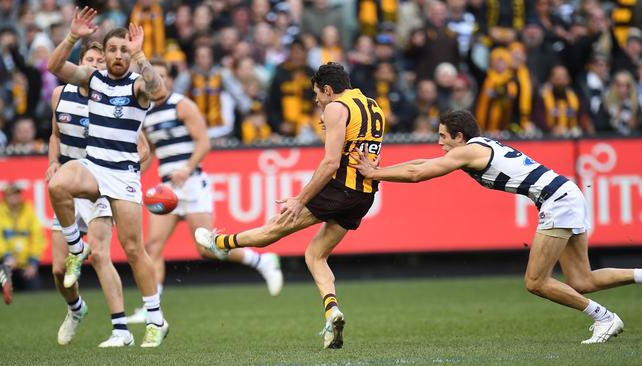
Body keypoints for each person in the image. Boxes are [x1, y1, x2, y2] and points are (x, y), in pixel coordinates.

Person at [351, 109, 641, 344]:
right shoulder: (477, 146)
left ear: (459, 136)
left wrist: (374, 173)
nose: (439, 142)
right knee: (581, 280)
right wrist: (380, 170)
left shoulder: (467, 152)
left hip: (558, 201)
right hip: (567, 193)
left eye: (443, 137)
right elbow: (421, 162)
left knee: (536, 282)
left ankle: (603, 317)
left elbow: (417, 174)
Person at [195, 62, 385, 349]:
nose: (316, 101)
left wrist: (300, 199)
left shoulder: (335, 108)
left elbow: (332, 162)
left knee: (275, 228)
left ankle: (220, 242)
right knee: (315, 255)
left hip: (341, 188)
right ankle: (332, 311)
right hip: (364, 195)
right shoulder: (372, 105)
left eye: (317, 94)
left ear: (328, 89)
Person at [46, 7, 169, 347]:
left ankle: (156, 319)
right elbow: (54, 67)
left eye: (122, 50)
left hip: (123, 173)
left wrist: (141, 53)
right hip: (93, 166)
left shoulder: (136, 86)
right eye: (112, 50)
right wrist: (72, 36)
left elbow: (158, 91)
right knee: (57, 184)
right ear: (104, 54)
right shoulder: (92, 79)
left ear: (130, 53)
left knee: (133, 250)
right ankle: (75, 247)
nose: (117, 56)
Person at [126, 60, 283, 323]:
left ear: (170, 80)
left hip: (192, 184)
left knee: (207, 248)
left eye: (162, 75)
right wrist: (134, 170)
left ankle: (262, 262)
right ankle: (151, 308)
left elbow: (204, 142)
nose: (157, 80)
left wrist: (187, 168)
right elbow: (151, 153)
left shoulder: (182, 104)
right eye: (153, 76)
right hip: (166, 189)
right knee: (152, 245)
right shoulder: (147, 113)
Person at [46, 40, 135, 347]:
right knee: (59, 270)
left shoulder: (113, 96)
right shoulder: (60, 94)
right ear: (79, 64)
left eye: (101, 59)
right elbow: (55, 134)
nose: (97, 64)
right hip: (69, 186)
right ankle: (76, 309)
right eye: (91, 59)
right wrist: (53, 161)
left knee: (99, 255)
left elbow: (143, 148)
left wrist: (123, 183)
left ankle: (121, 329)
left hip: (100, 183)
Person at [0, 183, 45, 291]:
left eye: (17, 194)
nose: (15, 197)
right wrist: (6, 256)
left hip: (25, 264)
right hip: (3, 263)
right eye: (12, 194)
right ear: (5, 197)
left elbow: (38, 237)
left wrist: (33, 262)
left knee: (35, 286)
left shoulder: (28, 212)